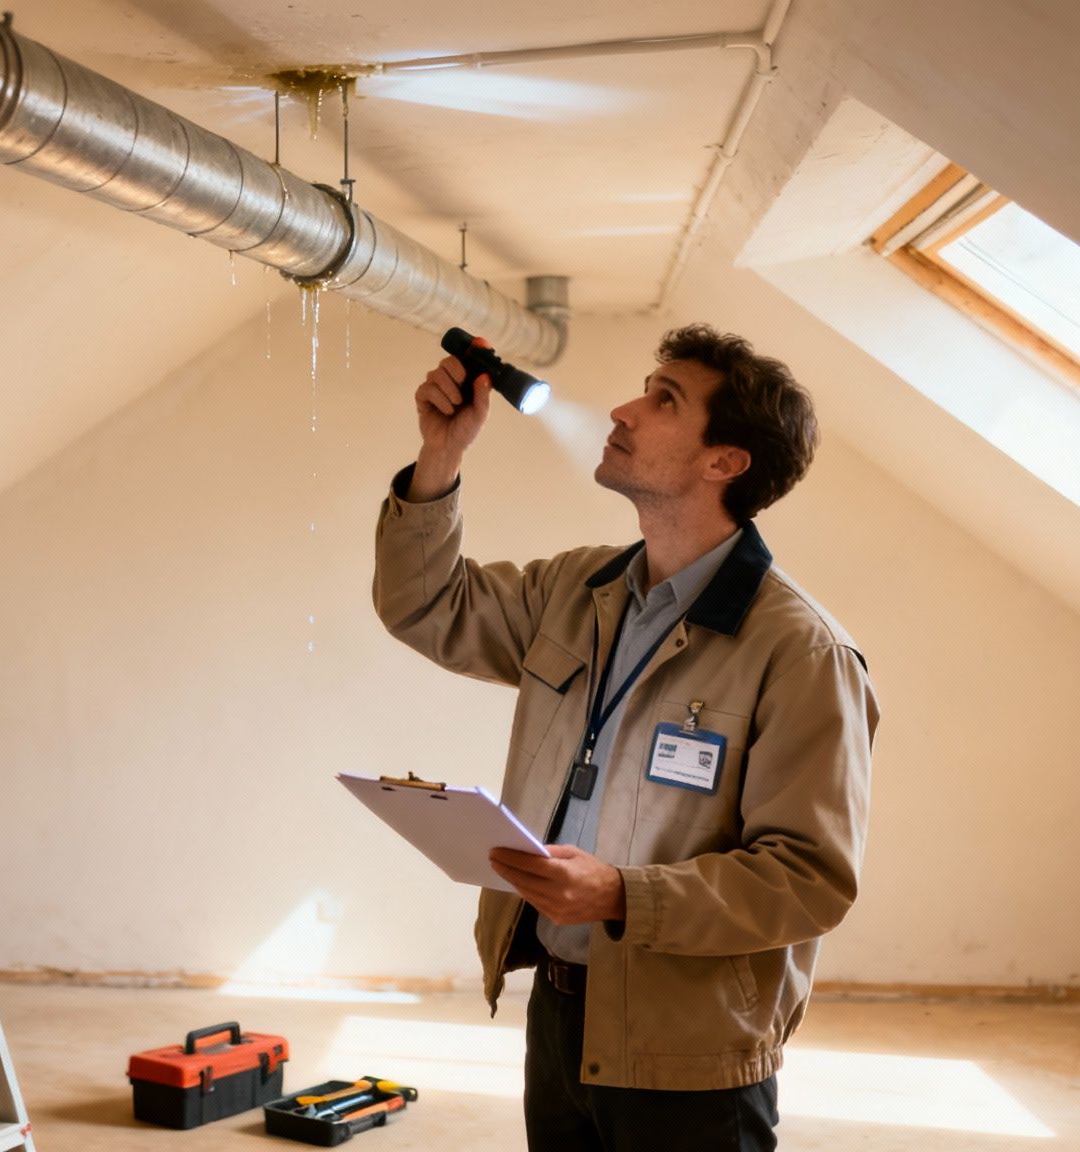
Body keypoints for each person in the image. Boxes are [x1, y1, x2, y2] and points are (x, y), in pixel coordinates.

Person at [371, 325, 878, 1151]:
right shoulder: (580, 587)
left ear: (725, 462)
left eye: (663, 399)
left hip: (690, 1052)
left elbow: (809, 880)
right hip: (561, 1011)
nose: (623, 409)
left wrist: (620, 896)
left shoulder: (801, 652)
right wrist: (440, 460)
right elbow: (428, 608)